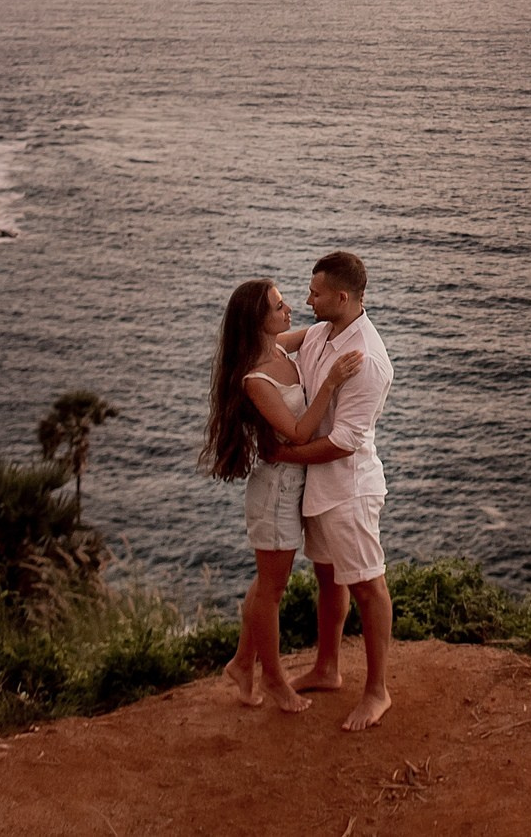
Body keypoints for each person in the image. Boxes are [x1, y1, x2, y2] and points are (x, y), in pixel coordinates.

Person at [200, 278, 363, 711]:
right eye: (278, 306)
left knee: (266, 584)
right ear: (258, 320)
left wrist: (350, 312)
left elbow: (317, 332)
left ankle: (241, 663)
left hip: (295, 487)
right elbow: (297, 432)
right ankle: (272, 680)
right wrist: (329, 383)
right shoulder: (254, 378)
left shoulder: (279, 347)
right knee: (273, 589)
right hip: (274, 492)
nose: (289, 309)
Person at [264, 249, 396, 731]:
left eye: (315, 293)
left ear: (341, 296)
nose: (307, 300)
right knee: (328, 579)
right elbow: (272, 338)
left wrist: (280, 455)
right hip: (318, 488)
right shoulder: (322, 332)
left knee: (367, 584)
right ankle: (327, 668)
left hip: (349, 490)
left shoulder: (368, 360)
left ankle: (378, 690)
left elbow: (342, 443)